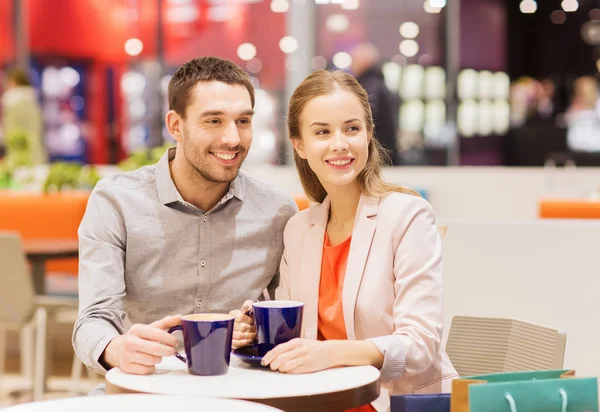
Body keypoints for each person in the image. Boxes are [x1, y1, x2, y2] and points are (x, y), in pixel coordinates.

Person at [237, 70, 458, 412]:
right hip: (319, 403)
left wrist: (328, 352)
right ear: (299, 144)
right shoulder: (299, 229)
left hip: (397, 404)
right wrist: (254, 327)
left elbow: (419, 345)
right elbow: (293, 334)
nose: (340, 143)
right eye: (322, 131)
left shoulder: (407, 216)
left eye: (351, 128)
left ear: (368, 134)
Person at [72, 56, 298, 378]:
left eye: (243, 121)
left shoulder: (277, 211)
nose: (233, 139)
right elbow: (93, 320)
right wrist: (117, 348)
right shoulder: (116, 201)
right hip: (144, 387)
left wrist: (252, 333)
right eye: (214, 121)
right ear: (176, 126)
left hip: (239, 390)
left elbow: (285, 323)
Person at [350, 43, 400, 165]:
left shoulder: (369, 86)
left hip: (376, 154)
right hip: (384, 152)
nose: (351, 65)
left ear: (364, 61)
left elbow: (367, 116)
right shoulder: (379, 83)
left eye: (354, 60)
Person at [1, 68, 46, 164]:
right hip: (37, 154)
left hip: (18, 157)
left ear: (13, 82)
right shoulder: (33, 102)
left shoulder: (12, 103)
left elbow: (9, 133)